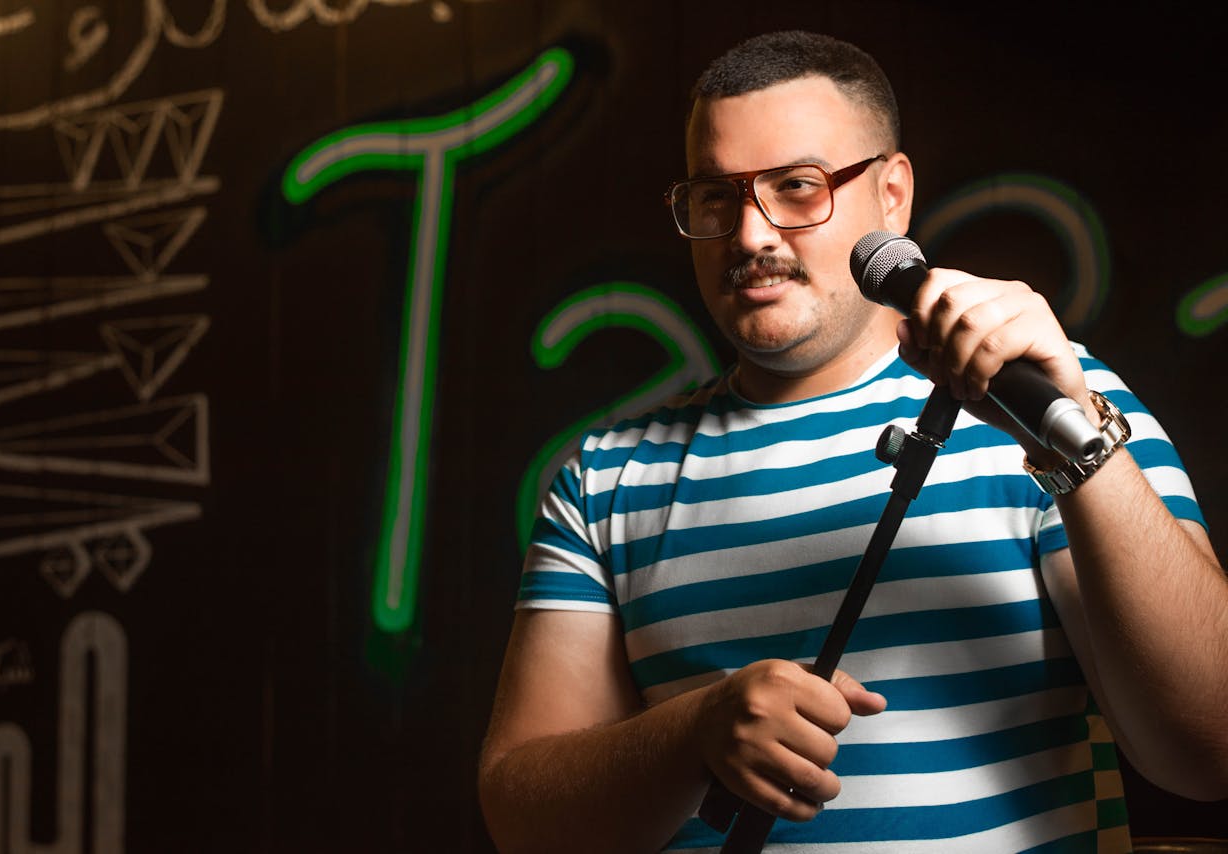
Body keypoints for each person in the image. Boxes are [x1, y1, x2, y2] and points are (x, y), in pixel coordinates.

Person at [478, 30, 1228, 853]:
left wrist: (1075, 442)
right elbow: (523, 818)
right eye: (716, 197)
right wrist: (695, 731)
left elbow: (1211, 753)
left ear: (893, 195)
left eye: (797, 187)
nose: (752, 236)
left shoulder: (1056, 399)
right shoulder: (607, 475)